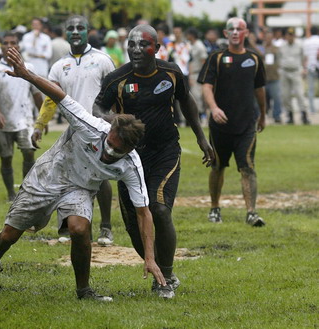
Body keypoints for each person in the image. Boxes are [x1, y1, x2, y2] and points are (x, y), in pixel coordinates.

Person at [0, 46, 166, 302]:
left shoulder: (131, 164)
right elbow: (60, 96)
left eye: (118, 151)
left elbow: (143, 212)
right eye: (110, 144)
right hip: (50, 174)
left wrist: (149, 257)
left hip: (80, 188)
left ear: (130, 149)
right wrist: (27, 75)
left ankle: (84, 291)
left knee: (80, 228)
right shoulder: (89, 125)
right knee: (9, 235)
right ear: (109, 133)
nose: (110, 152)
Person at [94, 24, 214, 299]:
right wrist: (116, 120)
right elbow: (97, 108)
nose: (136, 50)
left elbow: (187, 101)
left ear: (157, 48)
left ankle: (167, 276)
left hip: (165, 152)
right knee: (135, 227)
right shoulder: (117, 78)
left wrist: (201, 138)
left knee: (159, 210)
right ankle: (157, 267)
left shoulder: (171, 72)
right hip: (129, 157)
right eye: (132, 44)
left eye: (144, 44)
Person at [32, 15, 116, 245]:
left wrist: (117, 124)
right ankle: (70, 227)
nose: (76, 31)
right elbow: (51, 100)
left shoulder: (103, 60)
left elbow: (115, 94)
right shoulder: (59, 66)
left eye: (80, 27)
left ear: (89, 31)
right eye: (71, 28)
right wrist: (40, 125)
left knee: (99, 175)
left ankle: (106, 228)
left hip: (100, 128)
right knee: (69, 177)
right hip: (73, 131)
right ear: (65, 33)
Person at [198, 17, 266, 227]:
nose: (235, 32)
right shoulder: (216, 58)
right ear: (226, 34)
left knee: (247, 168)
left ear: (246, 33)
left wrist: (263, 114)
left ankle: (251, 213)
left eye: (239, 29)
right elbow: (206, 87)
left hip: (246, 124)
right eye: (231, 29)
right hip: (220, 125)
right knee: (217, 166)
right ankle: (215, 208)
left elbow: (259, 89)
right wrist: (214, 108)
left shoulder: (254, 59)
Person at [0, 31, 43, 201]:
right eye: (6, 43)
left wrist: (43, 118)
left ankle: (25, 191)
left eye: (13, 43)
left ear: (18, 46)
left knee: (29, 153)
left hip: (25, 119)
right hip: (3, 121)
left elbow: (37, 93)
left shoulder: (28, 68)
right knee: (6, 158)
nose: (9, 46)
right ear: (1, 46)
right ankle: (10, 193)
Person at [278, 27, 310, 125]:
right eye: (288, 35)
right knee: (285, 95)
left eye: (292, 35)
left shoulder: (299, 45)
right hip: (285, 71)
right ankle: (290, 116)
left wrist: (304, 69)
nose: (290, 37)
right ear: (286, 36)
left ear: (294, 36)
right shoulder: (282, 46)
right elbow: (279, 58)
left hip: (296, 71)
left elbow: (304, 57)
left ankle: (304, 115)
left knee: (300, 94)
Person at [186, 27, 208, 119]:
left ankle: (202, 117)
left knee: (198, 96)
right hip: (193, 74)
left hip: (198, 73)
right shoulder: (192, 45)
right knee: (195, 96)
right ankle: (199, 117)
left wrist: (203, 76)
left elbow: (204, 62)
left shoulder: (199, 46)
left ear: (192, 35)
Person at [261, 30, 282, 123]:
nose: (268, 39)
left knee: (276, 97)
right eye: (267, 37)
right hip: (263, 78)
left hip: (274, 77)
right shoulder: (261, 48)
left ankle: (277, 116)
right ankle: (262, 116)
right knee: (262, 99)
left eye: (270, 37)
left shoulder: (276, 49)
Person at [303, 26, 319, 114]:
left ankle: (312, 110)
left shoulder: (307, 42)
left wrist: (304, 68)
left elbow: (305, 57)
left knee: (311, 90)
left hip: (310, 67)